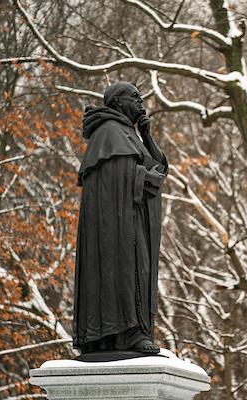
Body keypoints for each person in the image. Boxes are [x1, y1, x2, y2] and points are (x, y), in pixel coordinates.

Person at [72, 81, 168, 355]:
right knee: (127, 269)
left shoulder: (128, 133)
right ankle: (127, 332)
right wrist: (142, 178)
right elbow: (114, 178)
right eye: (134, 97)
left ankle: (132, 331)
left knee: (140, 269)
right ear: (116, 102)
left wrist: (147, 136)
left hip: (130, 219)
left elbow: (157, 168)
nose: (141, 101)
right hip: (115, 226)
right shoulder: (109, 133)